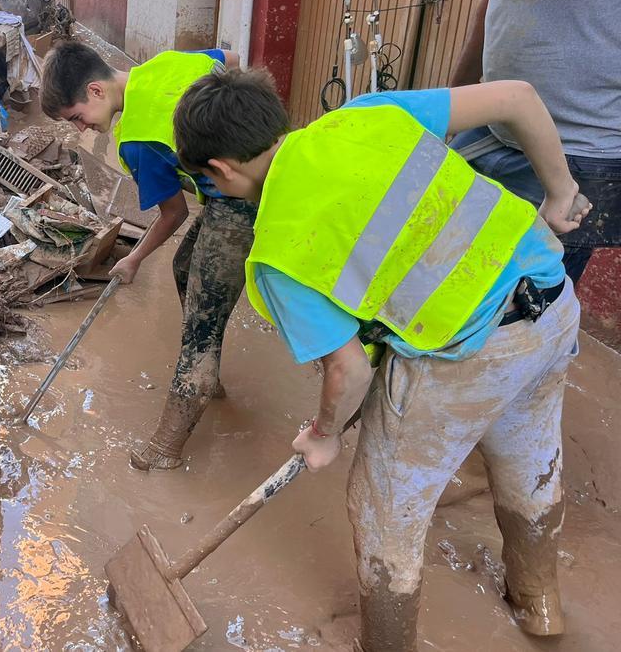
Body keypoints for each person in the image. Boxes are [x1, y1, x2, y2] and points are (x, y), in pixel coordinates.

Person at [173, 68, 589, 650]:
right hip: (550, 301)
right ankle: (540, 607)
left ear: (218, 170)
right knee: (530, 461)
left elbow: (349, 369)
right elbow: (518, 96)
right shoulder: (367, 114)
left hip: (466, 355)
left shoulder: (278, 253)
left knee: (384, 510)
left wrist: (323, 435)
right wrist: (560, 192)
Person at [41, 41, 250, 472]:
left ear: (96, 92)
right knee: (184, 268)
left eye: (77, 118)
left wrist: (133, 259)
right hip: (248, 175)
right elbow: (231, 59)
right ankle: (208, 375)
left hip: (241, 200)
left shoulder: (137, 139)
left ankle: (167, 445)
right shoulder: (165, 64)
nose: (82, 129)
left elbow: (173, 214)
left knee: (200, 329)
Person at [450, 0, 621, 282]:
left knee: (525, 303)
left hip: (580, 147)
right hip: (490, 128)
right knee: (441, 269)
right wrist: (457, 99)